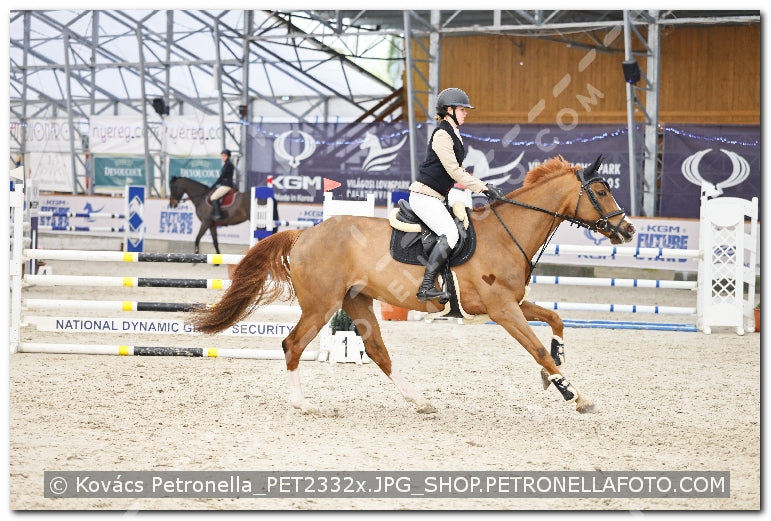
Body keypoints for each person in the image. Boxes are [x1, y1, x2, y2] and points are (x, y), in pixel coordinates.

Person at [409, 87, 505, 302]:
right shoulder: (443, 134)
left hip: (437, 197)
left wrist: (483, 185)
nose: (466, 113)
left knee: (460, 230)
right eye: (462, 109)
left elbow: (456, 172)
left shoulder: (454, 133)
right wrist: (482, 187)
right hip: (425, 197)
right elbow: (454, 171)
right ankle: (425, 287)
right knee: (450, 234)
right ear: (449, 110)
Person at [210, 149, 236, 221]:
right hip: (224, 184)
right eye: (222, 156)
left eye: (224, 156)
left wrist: (215, 184)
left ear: (228, 156)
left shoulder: (228, 165)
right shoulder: (227, 164)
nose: (223, 158)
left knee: (213, 197)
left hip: (226, 185)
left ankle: (218, 214)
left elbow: (222, 176)